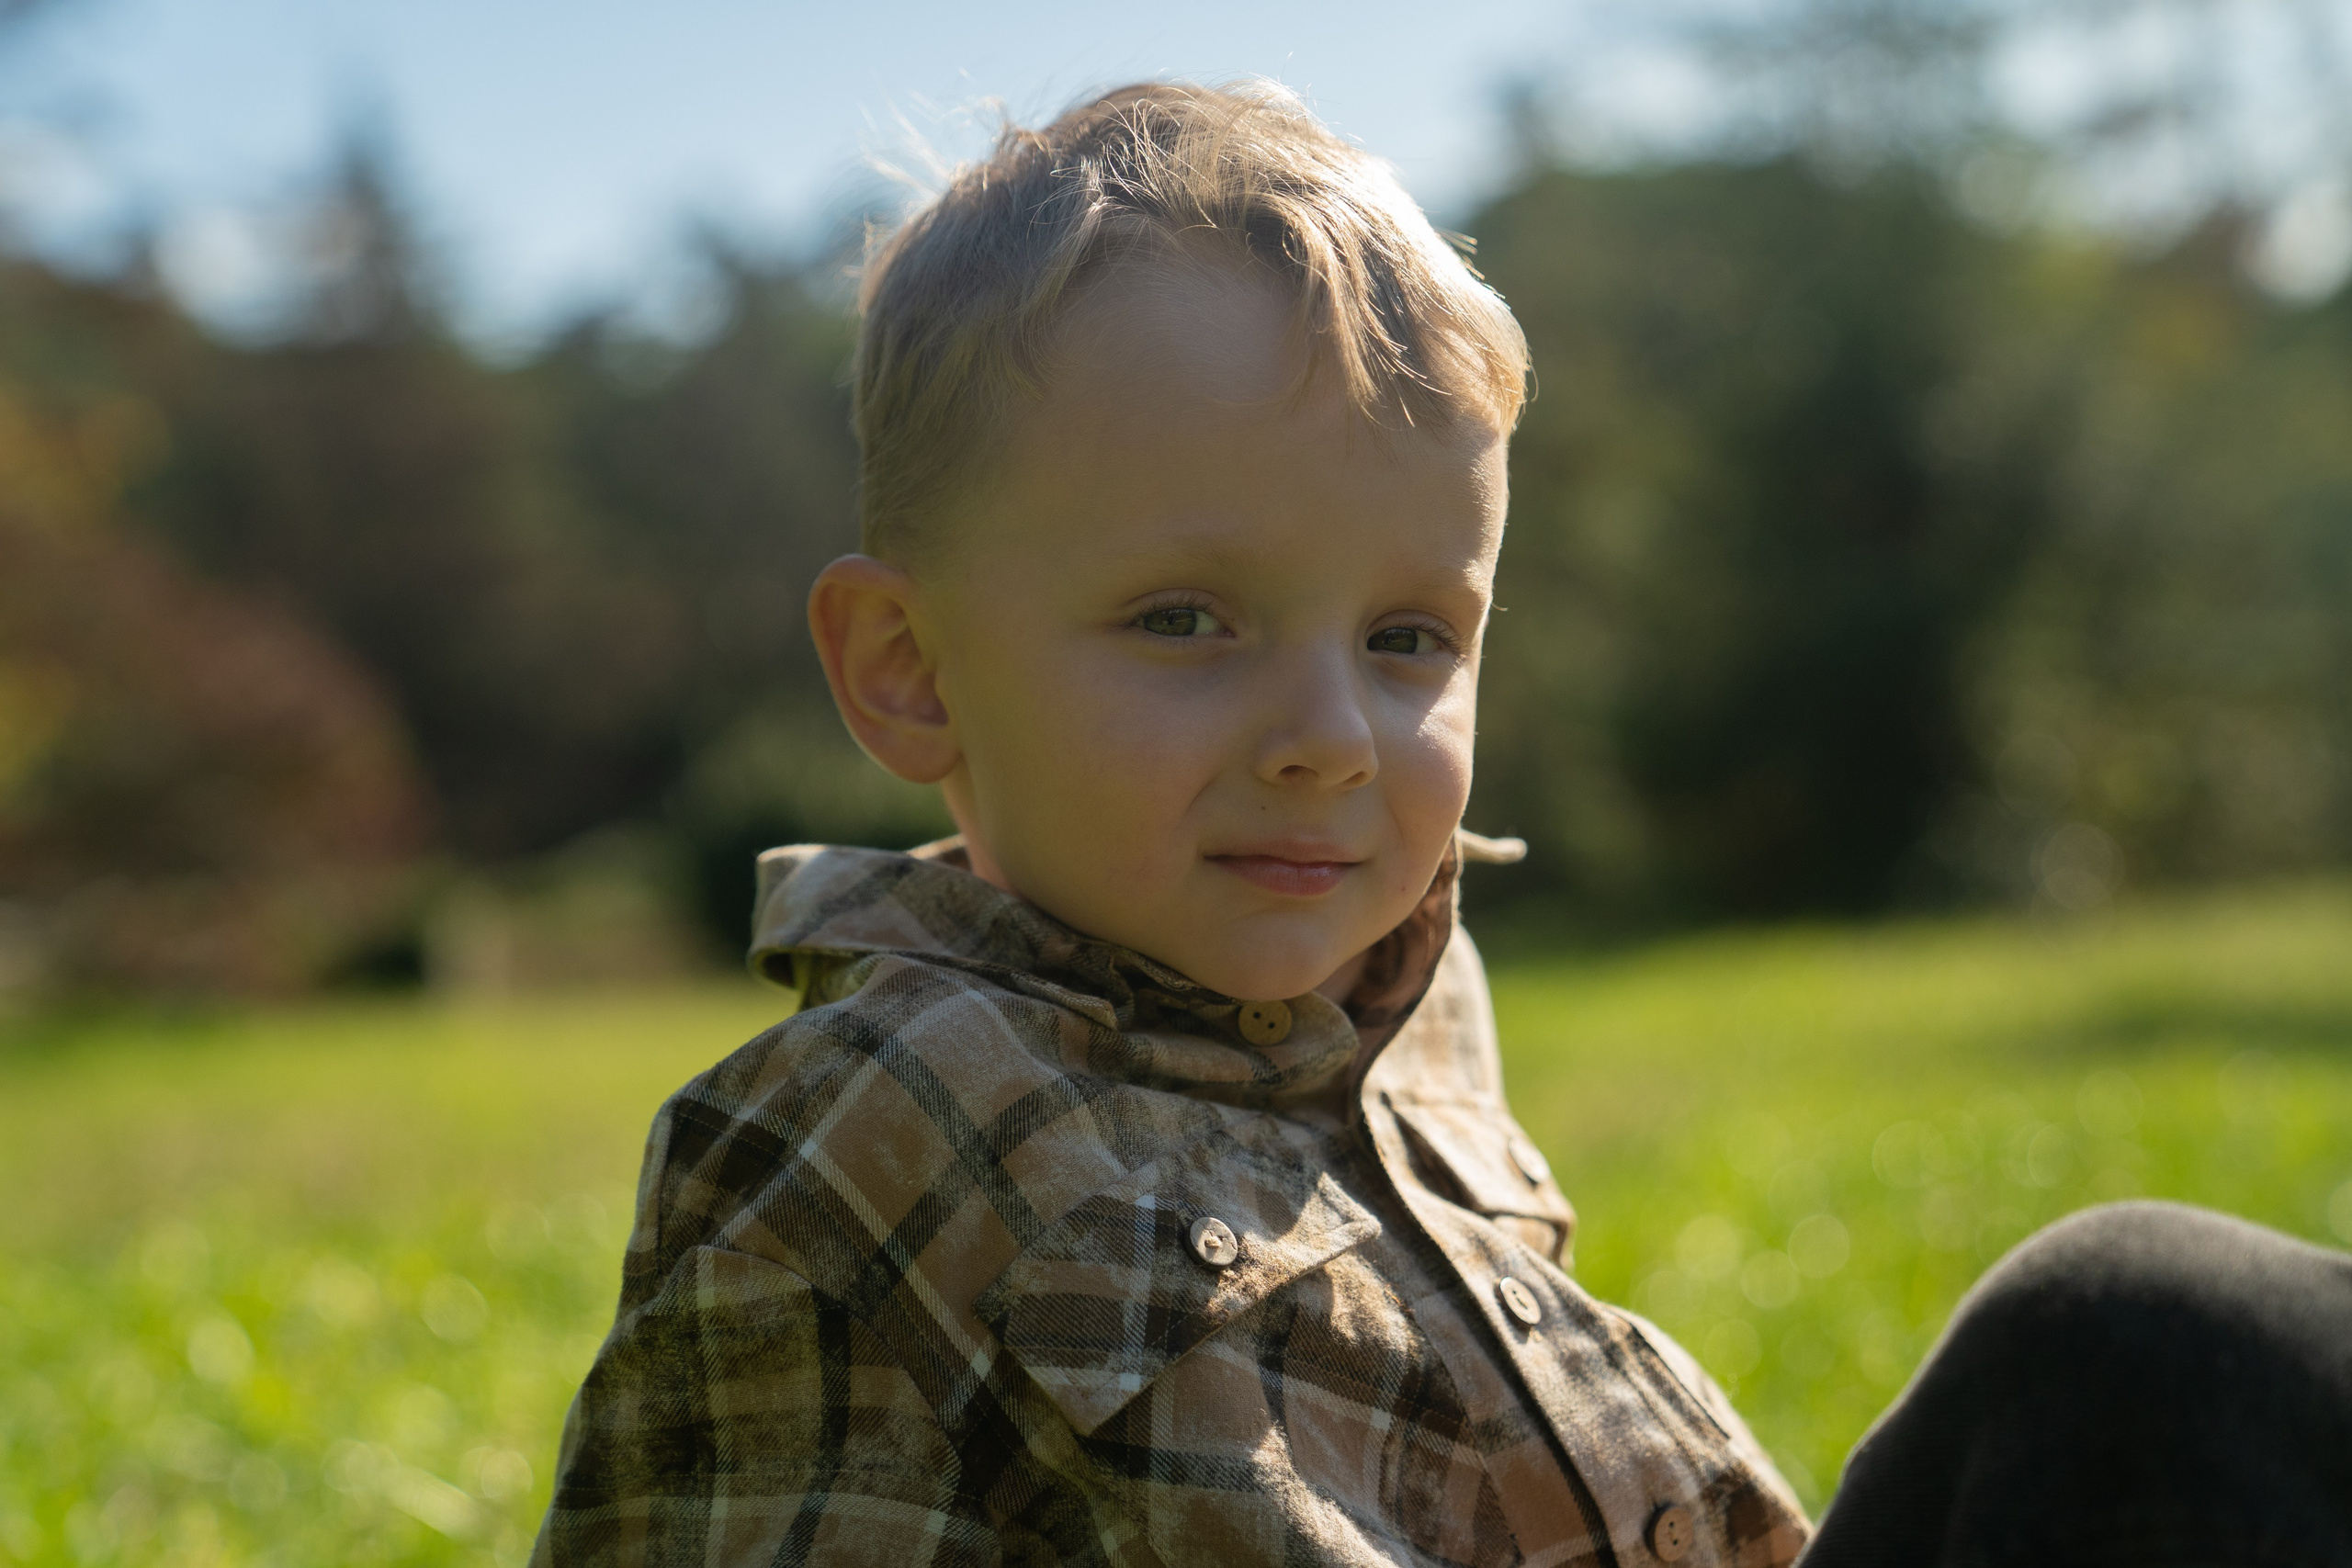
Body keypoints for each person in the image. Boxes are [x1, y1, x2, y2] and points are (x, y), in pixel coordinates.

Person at [532, 82, 2352, 1568]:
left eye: (1408, 639)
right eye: (1184, 619)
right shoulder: (861, 1125)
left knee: (2154, 1346)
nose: (1329, 736)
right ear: (909, 668)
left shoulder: (1415, 1016)